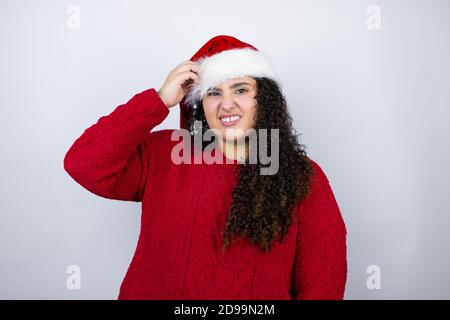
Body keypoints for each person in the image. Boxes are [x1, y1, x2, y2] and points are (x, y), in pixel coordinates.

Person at [63, 35, 348, 300]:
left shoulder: (302, 176)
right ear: (200, 103)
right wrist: (160, 100)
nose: (226, 105)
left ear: (266, 99)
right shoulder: (164, 153)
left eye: (240, 89)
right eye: (213, 92)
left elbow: (323, 281)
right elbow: (83, 164)